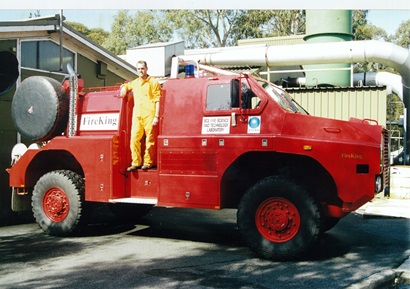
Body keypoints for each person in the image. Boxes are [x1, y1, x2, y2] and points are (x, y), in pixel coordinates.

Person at [120, 60, 161, 171]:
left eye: (142, 68)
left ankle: (148, 162)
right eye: (138, 69)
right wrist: (123, 87)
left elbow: (158, 100)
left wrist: (156, 116)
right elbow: (127, 85)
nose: (140, 71)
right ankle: (136, 162)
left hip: (150, 114)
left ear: (147, 69)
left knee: (150, 139)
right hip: (137, 115)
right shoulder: (135, 82)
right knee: (134, 138)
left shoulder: (153, 82)